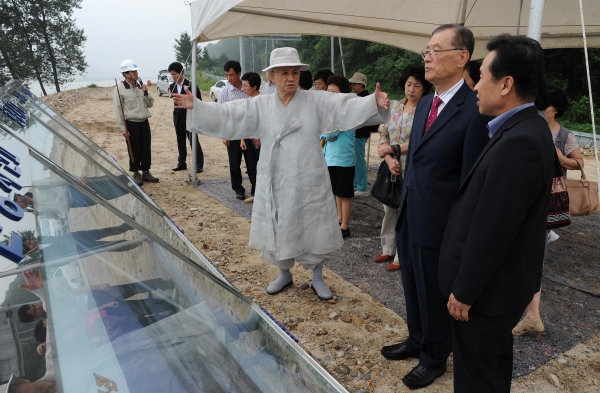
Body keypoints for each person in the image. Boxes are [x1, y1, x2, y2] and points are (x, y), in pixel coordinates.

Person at [173, 47, 390, 300]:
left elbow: (343, 105)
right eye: (284, 72)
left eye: (295, 72)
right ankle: (284, 273)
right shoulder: (261, 104)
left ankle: (317, 276)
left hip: (310, 174)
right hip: (276, 175)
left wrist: (371, 102)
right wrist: (197, 107)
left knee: (314, 221)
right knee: (279, 222)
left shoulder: (314, 100)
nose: (291, 77)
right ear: (272, 76)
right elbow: (230, 114)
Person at [439, 34, 553, 392]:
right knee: (490, 368)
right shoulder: (523, 129)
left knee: (477, 377)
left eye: (482, 77)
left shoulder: (519, 142)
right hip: (497, 290)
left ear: (506, 84)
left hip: (487, 296)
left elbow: (495, 228)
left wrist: (466, 290)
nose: (475, 87)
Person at [380, 24, 490, 390]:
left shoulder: (474, 110)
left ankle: (435, 356)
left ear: (462, 57)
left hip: (441, 220)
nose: (426, 57)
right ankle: (417, 339)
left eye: (435, 50)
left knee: (433, 289)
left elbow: (470, 179)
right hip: (412, 207)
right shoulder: (428, 101)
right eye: (425, 50)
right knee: (411, 283)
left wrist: (459, 232)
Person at [512, 86, 585, 340]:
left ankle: (532, 315)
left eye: (546, 107)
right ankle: (529, 314)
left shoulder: (564, 134)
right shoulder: (532, 127)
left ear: (555, 109)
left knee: (532, 256)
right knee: (528, 254)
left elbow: (579, 162)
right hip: (529, 200)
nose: (542, 111)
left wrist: (561, 159)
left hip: (545, 202)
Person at [374, 65, 431, 271]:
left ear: (424, 88)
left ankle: (401, 255)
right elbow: (383, 133)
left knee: (407, 211)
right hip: (392, 168)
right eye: (409, 84)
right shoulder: (396, 107)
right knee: (389, 208)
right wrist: (389, 159)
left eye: (417, 85)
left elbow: (422, 141)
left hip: (413, 167)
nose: (412, 89)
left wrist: (395, 149)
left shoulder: (425, 112)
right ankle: (387, 248)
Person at [113, 59, 159, 186]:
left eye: (136, 71)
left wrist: (146, 92)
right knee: (134, 148)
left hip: (144, 121)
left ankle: (146, 172)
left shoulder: (141, 87)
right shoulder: (119, 90)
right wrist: (123, 128)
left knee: (146, 147)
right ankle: (136, 173)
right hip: (131, 123)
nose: (136, 74)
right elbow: (119, 110)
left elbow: (150, 104)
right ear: (126, 74)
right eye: (133, 71)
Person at [321, 75, 356, 239]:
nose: (329, 94)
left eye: (333, 91)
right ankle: (339, 219)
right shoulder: (332, 109)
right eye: (328, 90)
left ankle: (345, 226)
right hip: (331, 157)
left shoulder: (345, 109)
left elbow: (329, 132)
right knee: (336, 192)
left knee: (345, 193)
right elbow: (326, 132)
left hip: (344, 159)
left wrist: (325, 134)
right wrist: (326, 134)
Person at [218, 60, 257, 201]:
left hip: (249, 133)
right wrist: (224, 135)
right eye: (227, 75)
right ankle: (238, 189)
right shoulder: (225, 92)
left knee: (252, 163)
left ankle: (255, 189)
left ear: (239, 74)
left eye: (232, 75)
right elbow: (221, 114)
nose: (229, 78)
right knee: (234, 164)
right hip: (233, 133)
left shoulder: (247, 88)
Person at [167, 62, 204, 173]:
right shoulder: (171, 86)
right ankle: (181, 162)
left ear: (181, 73)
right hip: (178, 117)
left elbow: (199, 102)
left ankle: (198, 164)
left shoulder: (191, 85)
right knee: (180, 140)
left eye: (175, 74)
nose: (173, 77)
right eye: (172, 75)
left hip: (190, 117)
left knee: (193, 140)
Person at [348, 72, 380, 196]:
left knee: (359, 160)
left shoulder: (365, 98)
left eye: (354, 84)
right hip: (357, 133)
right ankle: (357, 184)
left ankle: (362, 187)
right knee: (355, 159)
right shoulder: (358, 97)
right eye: (351, 84)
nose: (352, 86)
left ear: (361, 84)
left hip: (360, 133)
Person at [240, 72, 262, 203]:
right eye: (243, 86)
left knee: (261, 167)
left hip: (260, 140)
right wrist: (242, 139)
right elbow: (245, 122)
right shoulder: (247, 102)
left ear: (254, 86)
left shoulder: (263, 100)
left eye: (246, 86)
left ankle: (262, 193)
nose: (244, 89)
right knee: (251, 167)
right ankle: (254, 193)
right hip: (249, 139)